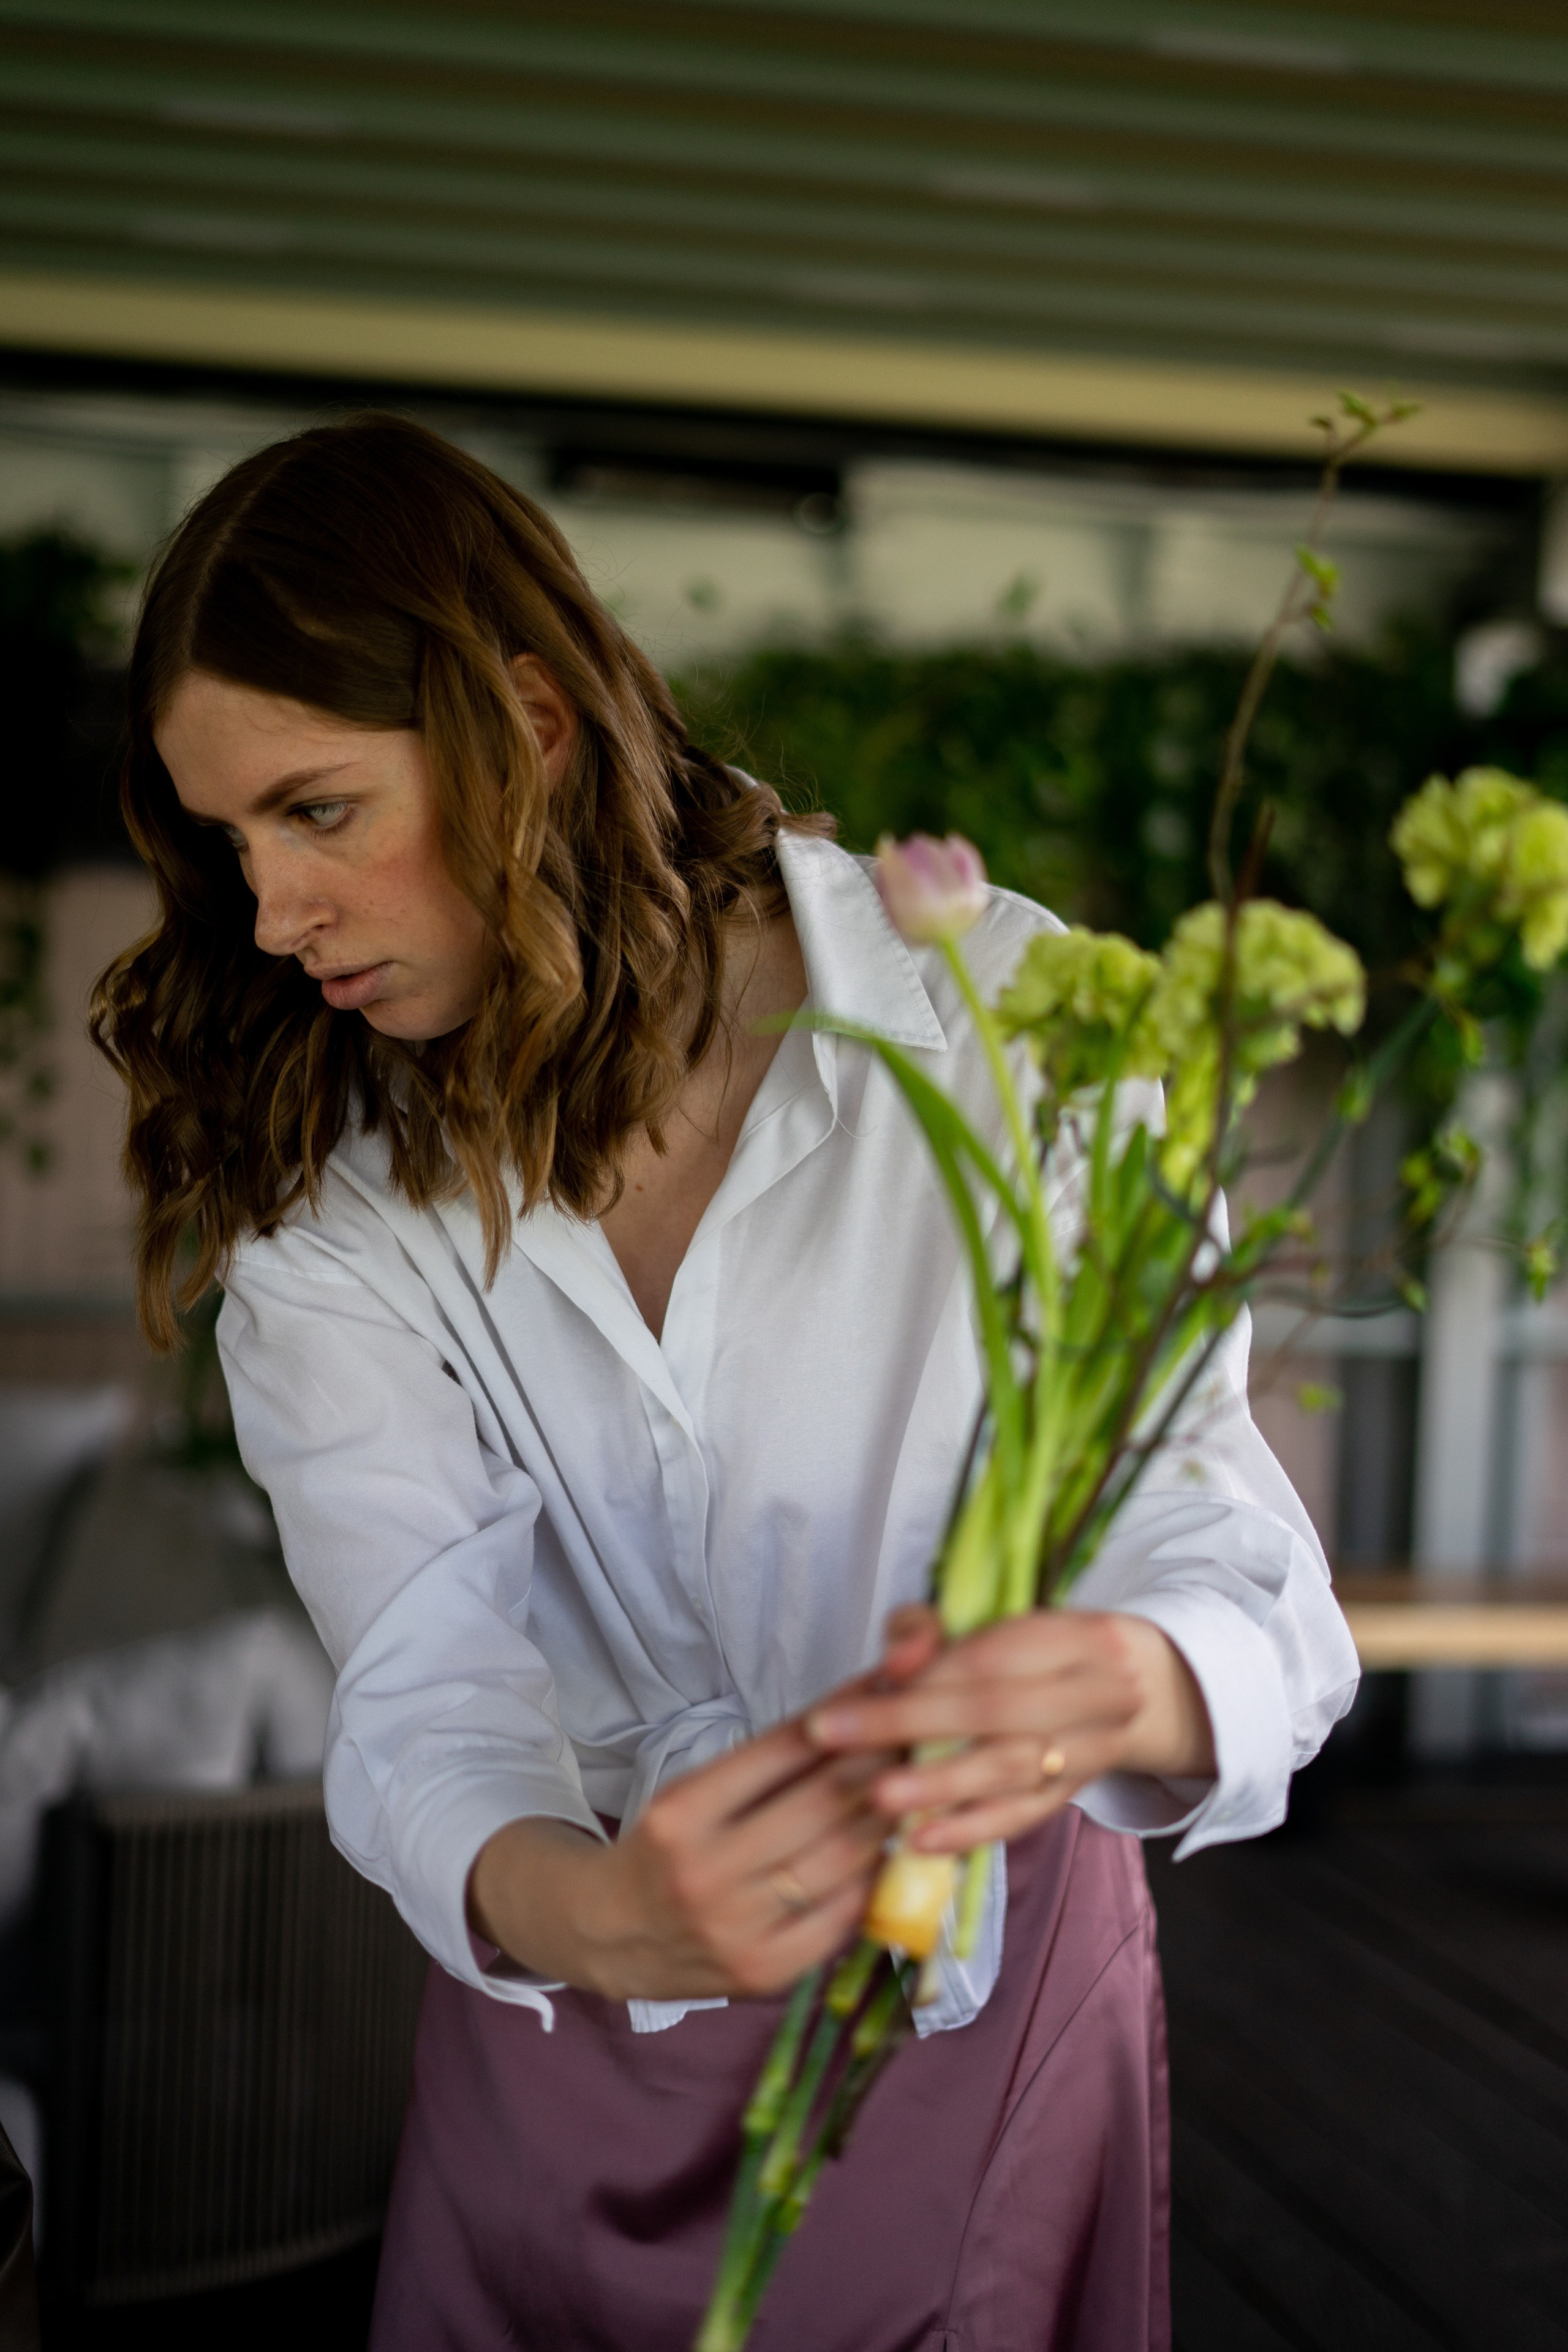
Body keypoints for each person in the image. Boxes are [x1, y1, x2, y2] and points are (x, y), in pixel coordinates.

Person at [92, 414, 1359, 2352]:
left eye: (317, 813)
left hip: (982, 2011)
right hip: (563, 2024)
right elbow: (428, 1684)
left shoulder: (1018, 1036)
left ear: (527, 724)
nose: (270, 916)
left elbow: (1227, 1550)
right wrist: (598, 1918)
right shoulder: (331, 1202)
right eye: (225, 845)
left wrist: (1130, 1675)